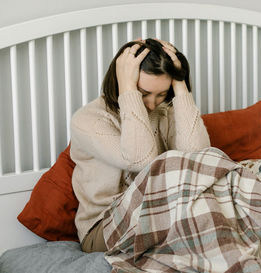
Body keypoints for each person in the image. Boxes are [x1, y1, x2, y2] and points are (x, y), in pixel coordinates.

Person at [69, 38, 211, 253]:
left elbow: (198, 157)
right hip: (104, 228)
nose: (153, 103)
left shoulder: (165, 110)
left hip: (163, 211)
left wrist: (181, 84)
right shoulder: (89, 120)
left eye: (162, 93)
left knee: (218, 175)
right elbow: (140, 160)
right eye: (143, 94)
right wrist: (127, 90)